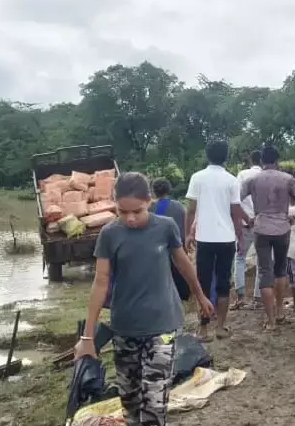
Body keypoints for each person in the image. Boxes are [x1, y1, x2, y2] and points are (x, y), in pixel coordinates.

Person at [75, 172, 214, 426]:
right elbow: (101, 282)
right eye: (122, 211)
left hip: (162, 326)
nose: (129, 218)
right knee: (130, 404)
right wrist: (87, 338)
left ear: (149, 201)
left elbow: (183, 263)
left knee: (154, 402)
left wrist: (200, 295)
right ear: (114, 204)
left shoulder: (165, 227)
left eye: (137, 211)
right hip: (125, 327)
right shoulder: (109, 234)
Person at [242, 145, 295, 331]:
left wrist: (247, 218)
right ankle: (280, 311)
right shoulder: (288, 179)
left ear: (262, 161)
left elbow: (236, 200)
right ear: (277, 160)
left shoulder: (253, 180)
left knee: (264, 271)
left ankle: (270, 320)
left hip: (261, 227)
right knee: (281, 270)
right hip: (282, 228)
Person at [184, 141, 247, 341]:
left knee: (203, 282)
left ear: (207, 155)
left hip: (205, 238)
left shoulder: (197, 177)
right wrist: (241, 236)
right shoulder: (231, 180)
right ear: (226, 156)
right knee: (223, 282)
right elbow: (236, 212)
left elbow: (191, 209)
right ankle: (220, 327)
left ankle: (203, 330)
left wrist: (188, 234)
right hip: (226, 239)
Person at [151, 178, 190, 302]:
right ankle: (183, 295)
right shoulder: (178, 206)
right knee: (179, 272)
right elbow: (184, 226)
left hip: (158, 248)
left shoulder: (150, 208)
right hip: (177, 245)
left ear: (153, 192)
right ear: (169, 189)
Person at [233, 150, 262, 310]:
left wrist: (243, 219)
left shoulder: (243, 174)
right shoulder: (268, 176)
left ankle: (241, 297)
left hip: (246, 223)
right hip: (262, 224)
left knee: (240, 258)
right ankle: (258, 298)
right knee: (261, 260)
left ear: (251, 160)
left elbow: (237, 199)